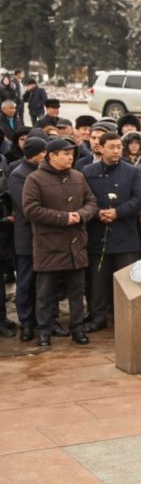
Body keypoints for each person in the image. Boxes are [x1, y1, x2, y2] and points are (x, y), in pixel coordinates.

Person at [22, 138, 98, 347]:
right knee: (46, 293)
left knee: (77, 291)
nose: (70, 157)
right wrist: (63, 218)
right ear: (52, 155)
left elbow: (91, 202)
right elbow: (31, 209)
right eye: (65, 154)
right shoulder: (35, 179)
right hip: (49, 245)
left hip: (76, 244)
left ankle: (78, 329)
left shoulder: (78, 176)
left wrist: (81, 215)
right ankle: (44, 331)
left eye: (72, 154)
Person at [81, 132, 141, 332]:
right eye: (111, 147)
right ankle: (98, 316)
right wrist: (98, 213)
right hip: (98, 232)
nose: (116, 150)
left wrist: (118, 212)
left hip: (124, 233)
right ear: (100, 148)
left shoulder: (131, 171)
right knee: (98, 280)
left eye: (119, 146)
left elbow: (139, 198)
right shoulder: (88, 171)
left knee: (128, 279)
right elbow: (83, 199)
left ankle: (129, 316)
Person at [7, 137, 46, 341]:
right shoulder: (18, 175)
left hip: (43, 236)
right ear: (35, 154)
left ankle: (42, 321)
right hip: (26, 236)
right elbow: (27, 207)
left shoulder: (41, 172)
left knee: (42, 281)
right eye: (43, 151)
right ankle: (27, 322)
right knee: (26, 280)